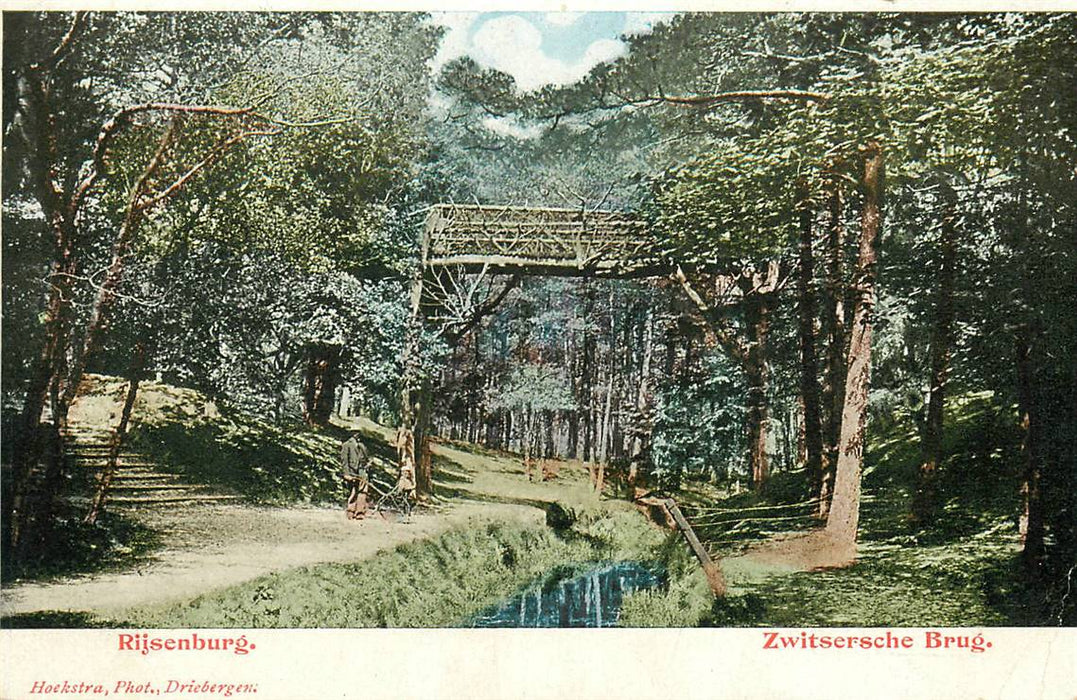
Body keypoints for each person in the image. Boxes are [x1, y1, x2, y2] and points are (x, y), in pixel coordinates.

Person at [340, 431, 370, 520]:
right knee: (353, 491)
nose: (358, 435)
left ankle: (360, 512)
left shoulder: (362, 445)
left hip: (363, 471)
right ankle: (351, 511)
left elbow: (367, 457)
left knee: (363, 492)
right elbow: (344, 461)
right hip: (353, 472)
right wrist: (346, 473)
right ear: (353, 433)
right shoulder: (347, 445)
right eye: (356, 432)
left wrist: (368, 464)